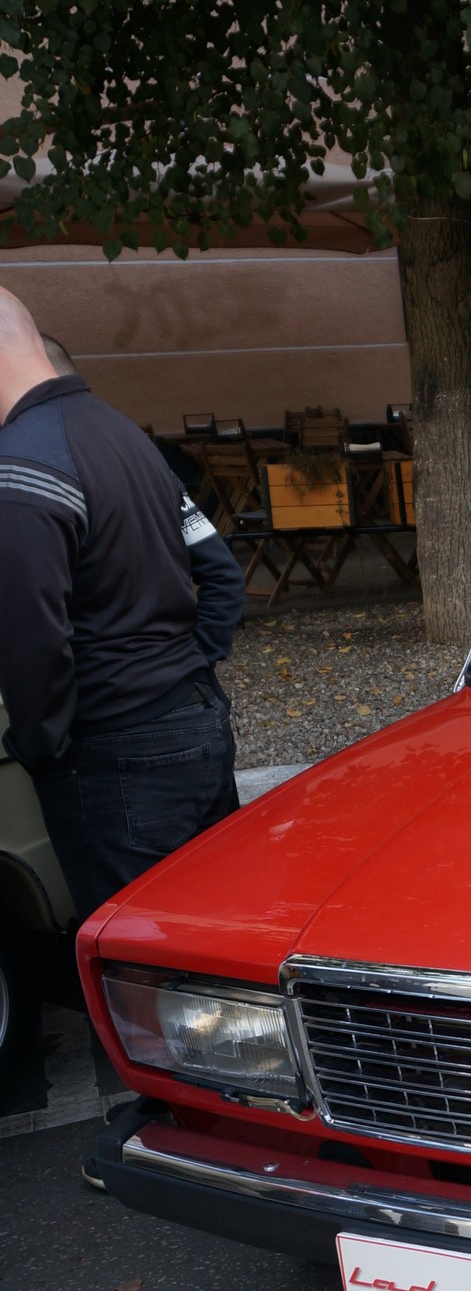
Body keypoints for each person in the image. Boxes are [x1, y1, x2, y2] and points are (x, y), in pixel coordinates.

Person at [0, 290, 246, 923]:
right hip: (195, 721)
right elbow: (219, 569)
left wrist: (44, 747)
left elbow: (30, 638)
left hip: (115, 751)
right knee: (206, 942)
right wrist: (192, 662)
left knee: (137, 965)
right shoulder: (128, 438)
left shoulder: (22, 469)